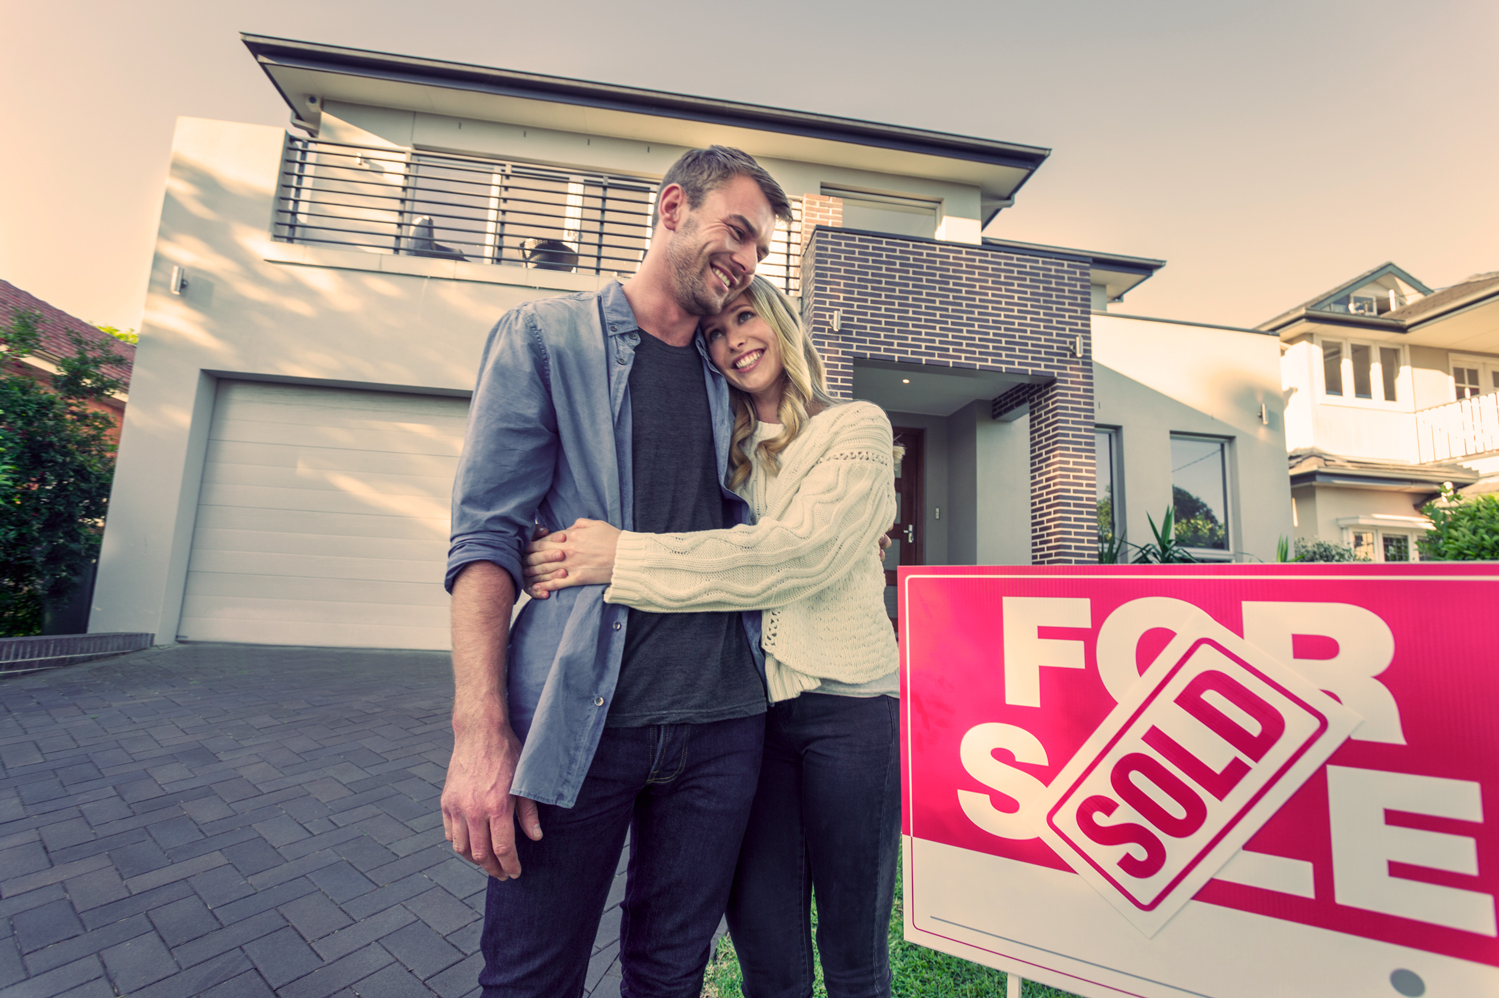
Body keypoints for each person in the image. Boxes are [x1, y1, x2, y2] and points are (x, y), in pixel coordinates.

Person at [442, 146, 793, 998]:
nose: (745, 262)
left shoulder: (736, 374)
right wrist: (479, 734)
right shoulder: (545, 337)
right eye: (736, 232)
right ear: (672, 207)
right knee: (530, 976)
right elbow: (485, 539)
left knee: (669, 977)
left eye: (759, 253)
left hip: (722, 726)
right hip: (576, 722)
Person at [523, 275, 902, 998]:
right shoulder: (727, 455)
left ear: (780, 322)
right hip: (750, 718)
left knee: (852, 950)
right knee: (765, 942)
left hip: (848, 711)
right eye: (716, 336)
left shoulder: (854, 426)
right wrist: (543, 546)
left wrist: (620, 557)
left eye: (743, 319)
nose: (734, 344)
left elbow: (798, 558)